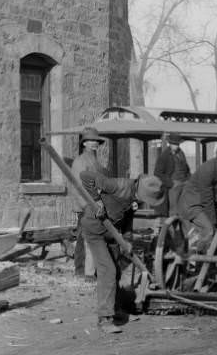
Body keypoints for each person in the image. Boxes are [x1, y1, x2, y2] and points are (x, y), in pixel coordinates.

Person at [78, 170, 166, 334]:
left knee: (116, 271)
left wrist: (127, 239)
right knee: (108, 270)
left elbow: (127, 219)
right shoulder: (118, 185)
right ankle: (104, 318)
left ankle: (116, 310)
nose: (144, 202)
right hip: (94, 230)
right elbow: (86, 175)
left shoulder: (135, 197)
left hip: (113, 233)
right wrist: (97, 201)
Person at [175, 143, 217, 254]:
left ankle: (212, 253)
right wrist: (212, 223)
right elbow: (206, 201)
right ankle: (192, 256)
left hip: (204, 205)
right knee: (209, 231)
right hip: (192, 204)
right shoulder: (207, 169)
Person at [70, 127, 109, 279]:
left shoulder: (95, 161)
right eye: (90, 141)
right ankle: (81, 270)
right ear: (84, 143)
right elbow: (78, 187)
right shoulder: (80, 161)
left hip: (95, 204)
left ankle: (87, 269)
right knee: (83, 238)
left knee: (88, 237)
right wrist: (87, 206)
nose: (94, 143)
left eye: (96, 141)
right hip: (86, 206)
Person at [153, 132, 190, 217]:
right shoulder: (164, 155)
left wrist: (188, 180)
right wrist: (171, 183)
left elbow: (186, 168)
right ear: (170, 143)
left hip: (184, 184)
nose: (176, 146)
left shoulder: (181, 153)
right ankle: (172, 230)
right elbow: (157, 173)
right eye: (174, 144)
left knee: (184, 209)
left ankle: (182, 229)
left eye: (177, 144)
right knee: (174, 211)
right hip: (174, 185)